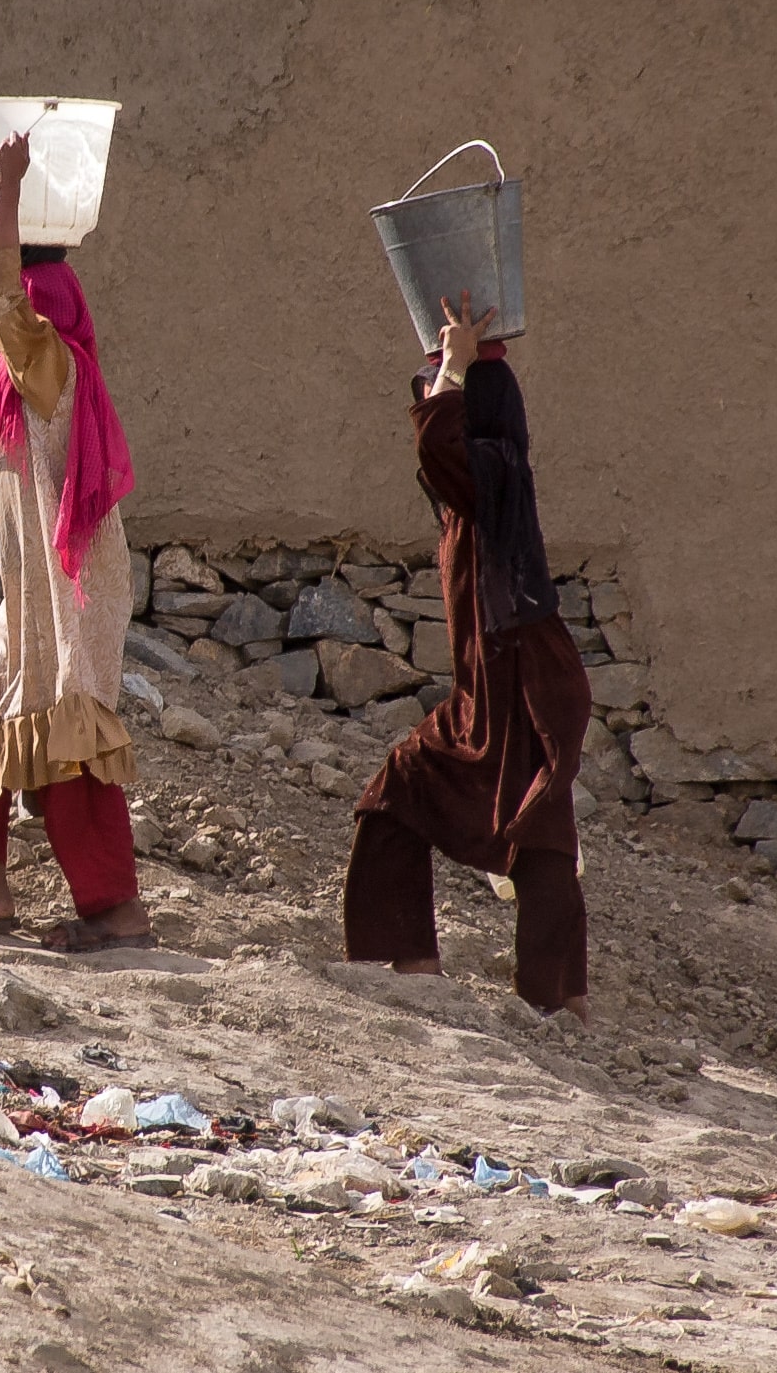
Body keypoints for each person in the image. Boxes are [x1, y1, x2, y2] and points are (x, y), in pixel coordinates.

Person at [0, 133, 152, 953]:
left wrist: (5, 184)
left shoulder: (49, 366)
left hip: (72, 589)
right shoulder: (20, 384)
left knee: (68, 738)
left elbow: (4, 294)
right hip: (32, 591)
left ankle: (116, 909)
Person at [343, 293, 594, 1020]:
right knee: (532, 833)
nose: (424, 404)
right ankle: (553, 999)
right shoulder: (480, 490)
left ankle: (544, 1001)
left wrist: (452, 364)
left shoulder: (486, 475)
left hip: (519, 676)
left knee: (487, 816)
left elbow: (439, 445)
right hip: (515, 676)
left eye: (438, 398)